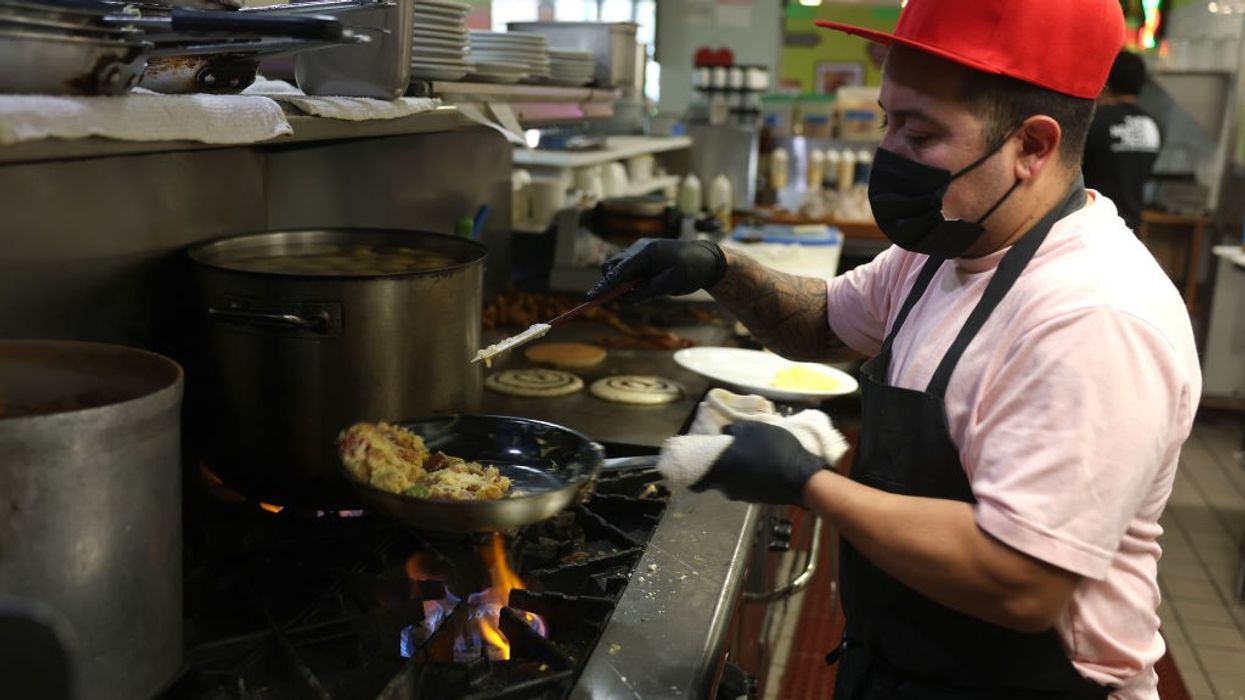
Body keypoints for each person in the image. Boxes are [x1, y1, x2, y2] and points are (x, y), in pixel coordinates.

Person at [586, 1, 1201, 698]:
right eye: (887, 120)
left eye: (918, 131)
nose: (889, 152)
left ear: (1031, 146)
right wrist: (717, 269)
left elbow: (1020, 582)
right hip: (904, 660)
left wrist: (807, 483)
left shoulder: (1094, 317)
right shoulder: (952, 241)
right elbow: (823, 322)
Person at [1082, 50, 1163, 232]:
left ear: (1106, 80)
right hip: (1131, 230)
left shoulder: (1095, 122)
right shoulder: (1152, 124)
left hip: (1093, 228)